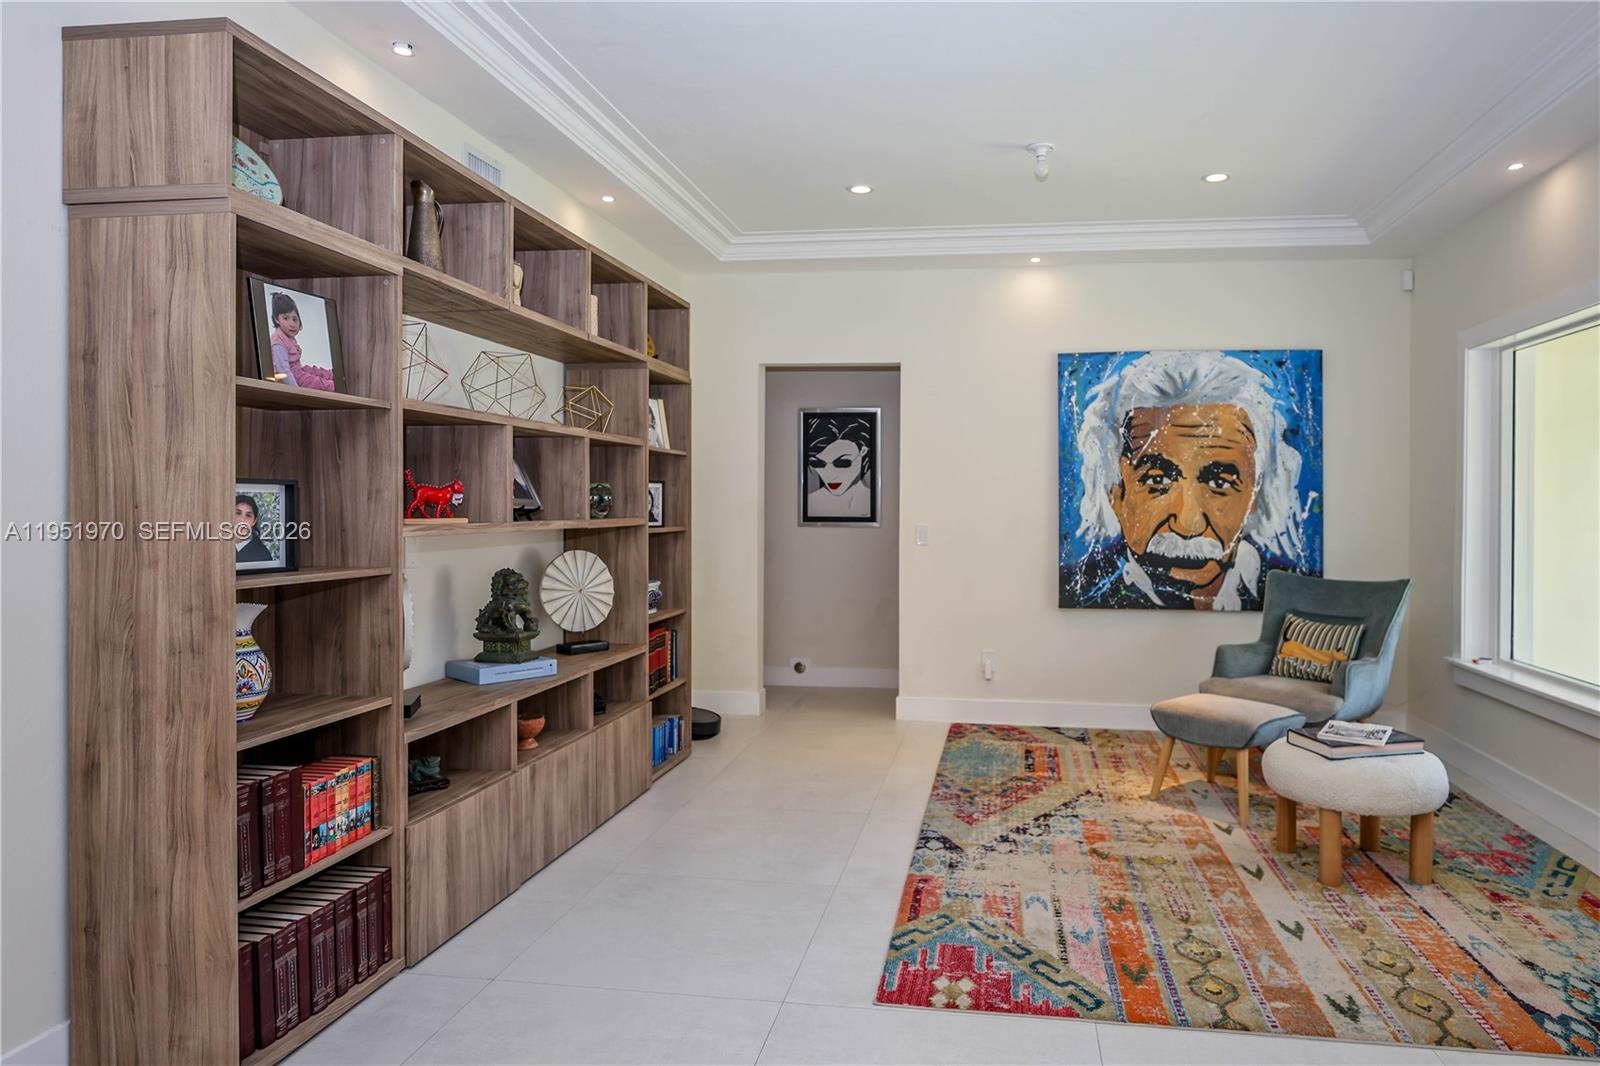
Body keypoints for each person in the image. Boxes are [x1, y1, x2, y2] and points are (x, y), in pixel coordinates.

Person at [1064, 349, 1310, 610]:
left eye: (1219, 484)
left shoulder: (1299, 599)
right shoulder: (1079, 590)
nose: (1187, 523)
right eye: (1157, 481)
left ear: (1254, 495)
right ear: (1116, 493)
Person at [804, 416, 874, 519]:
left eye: (842, 463)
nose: (830, 476)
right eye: (818, 464)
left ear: (863, 451)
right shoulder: (809, 503)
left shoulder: (875, 502)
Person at [268, 291, 336, 391]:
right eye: (286, 318)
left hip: (297, 371)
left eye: (294, 319)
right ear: (276, 319)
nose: (292, 324)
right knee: (315, 382)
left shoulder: (288, 336)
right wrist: (297, 391)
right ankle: (334, 386)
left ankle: (334, 375)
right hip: (291, 378)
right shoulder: (278, 342)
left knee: (314, 370)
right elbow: (283, 371)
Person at [234, 495, 275, 565]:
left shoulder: (263, 556)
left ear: (254, 522)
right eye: (238, 513)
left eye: (248, 515)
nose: (242, 519)